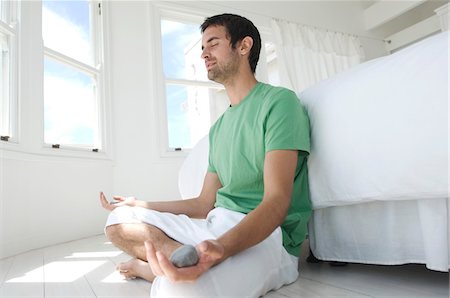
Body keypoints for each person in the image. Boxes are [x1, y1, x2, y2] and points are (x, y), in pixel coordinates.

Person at [100, 13, 312, 297]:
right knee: (118, 221)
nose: (204, 54)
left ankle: (153, 269)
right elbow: (203, 204)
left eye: (212, 44)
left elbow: (276, 202)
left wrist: (223, 248)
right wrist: (141, 203)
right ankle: (186, 259)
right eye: (202, 48)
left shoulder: (279, 103)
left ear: (243, 45)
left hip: (267, 237)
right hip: (213, 226)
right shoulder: (219, 128)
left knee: (180, 294)